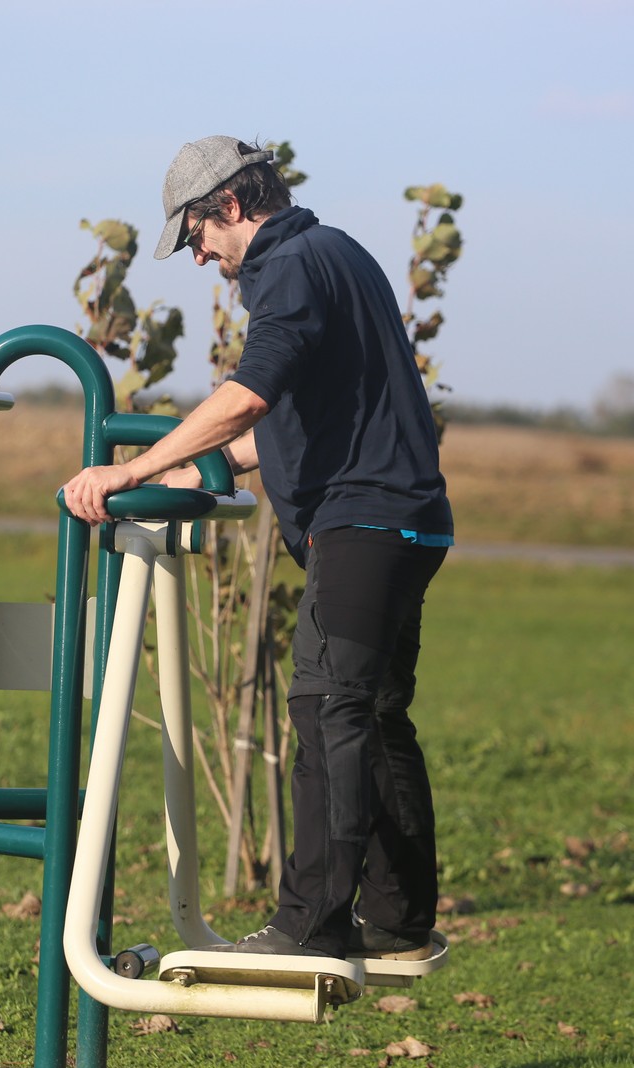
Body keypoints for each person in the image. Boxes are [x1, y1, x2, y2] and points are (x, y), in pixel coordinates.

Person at [60, 136, 453, 962]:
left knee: (326, 707)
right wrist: (209, 465)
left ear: (230, 207)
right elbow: (290, 421)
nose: (200, 256)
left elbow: (248, 398)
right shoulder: (336, 253)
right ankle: (398, 917)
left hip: (365, 520)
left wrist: (133, 466)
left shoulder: (286, 266)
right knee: (375, 714)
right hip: (405, 516)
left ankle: (311, 924)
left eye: (197, 235)